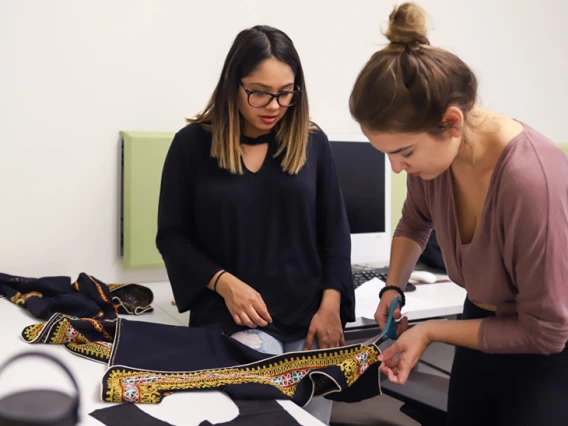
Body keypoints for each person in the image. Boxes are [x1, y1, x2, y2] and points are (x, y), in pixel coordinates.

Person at [349, 3, 568, 425]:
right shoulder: (436, 162)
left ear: (451, 122)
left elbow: (544, 331)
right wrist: (392, 289)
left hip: (545, 351)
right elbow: (415, 220)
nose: (397, 169)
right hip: (479, 326)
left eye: (404, 152)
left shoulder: (529, 182)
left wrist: (430, 330)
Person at [156, 25, 355, 425]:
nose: (274, 105)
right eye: (259, 91)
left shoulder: (313, 143)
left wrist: (332, 304)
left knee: (312, 419)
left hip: (310, 315)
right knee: (265, 416)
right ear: (233, 84)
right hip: (233, 316)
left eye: (286, 92)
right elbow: (172, 236)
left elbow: (334, 230)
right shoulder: (191, 145)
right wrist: (224, 282)